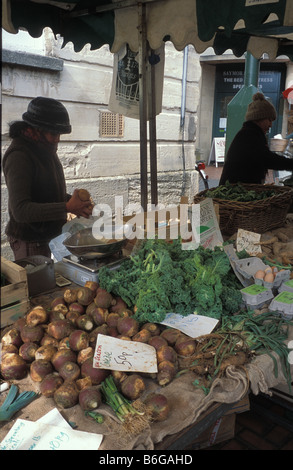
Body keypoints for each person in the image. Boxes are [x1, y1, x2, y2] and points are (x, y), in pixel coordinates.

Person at [3, 96, 93, 261]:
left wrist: (76, 204)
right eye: (53, 133)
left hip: (50, 238)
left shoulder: (45, 147)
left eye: (59, 133)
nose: (57, 139)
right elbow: (21, 210)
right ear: (37, 129)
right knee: (39, 287)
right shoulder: (19, 156)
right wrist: (66, 206)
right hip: (30, 242)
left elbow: (45, 194)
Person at [219, 92, 293, 185]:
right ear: (258, 118)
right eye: (269, 120)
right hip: (234, 190)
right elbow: (267, 159)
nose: (270, 125)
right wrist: (290, 164)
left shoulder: (252, 133)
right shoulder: (249, 135)